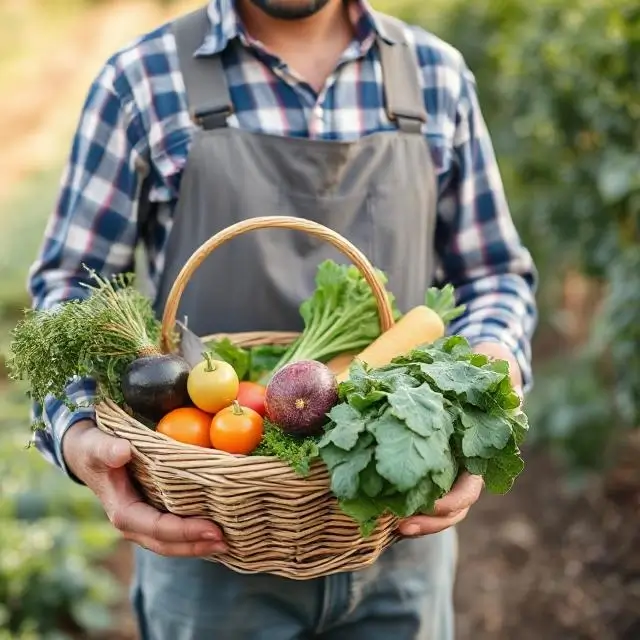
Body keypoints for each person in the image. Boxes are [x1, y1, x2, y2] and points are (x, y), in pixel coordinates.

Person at [28, 1, 537, 638]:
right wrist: (76, 431)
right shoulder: (143, 79)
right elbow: (69, 288)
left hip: (399, 530)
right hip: (206, 542)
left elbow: (493, 275)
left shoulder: (435, 76)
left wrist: (494, 372)